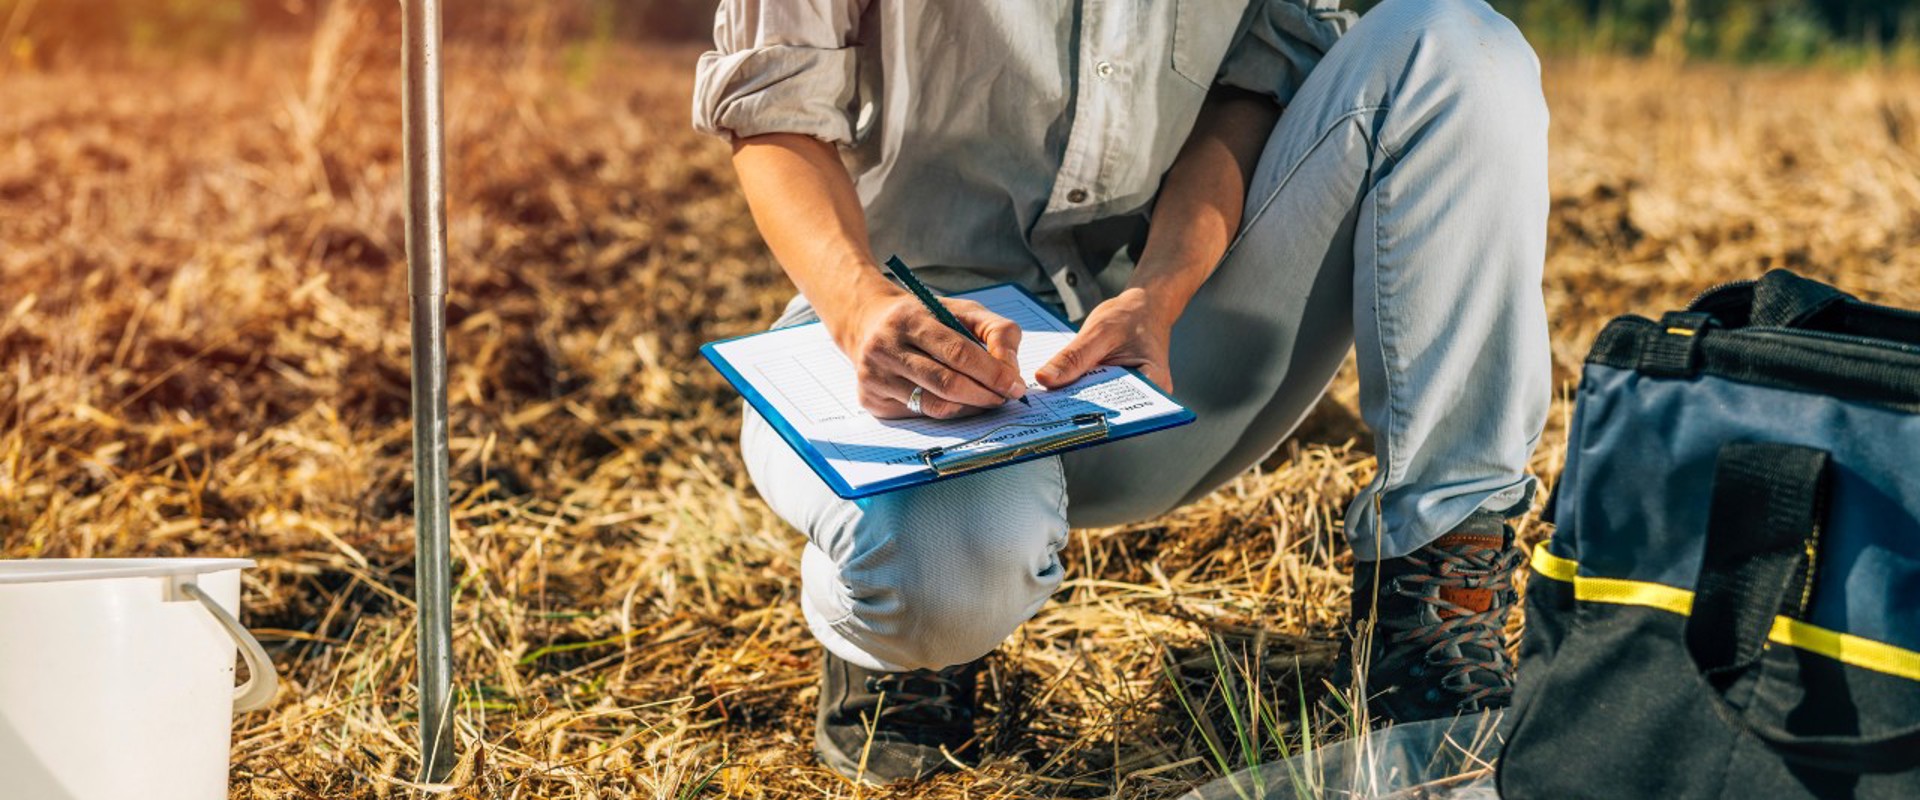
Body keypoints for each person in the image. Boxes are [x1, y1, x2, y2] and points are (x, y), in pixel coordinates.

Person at [693, 0, 1548, 783]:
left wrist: (1163, 288)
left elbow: (1253, 89)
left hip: (1162, 340)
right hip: (900, 329)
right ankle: (892, 653)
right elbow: (774, 106)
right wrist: (859, 304)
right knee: (936, 586)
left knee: (1459, 48)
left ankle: (1437, 592)